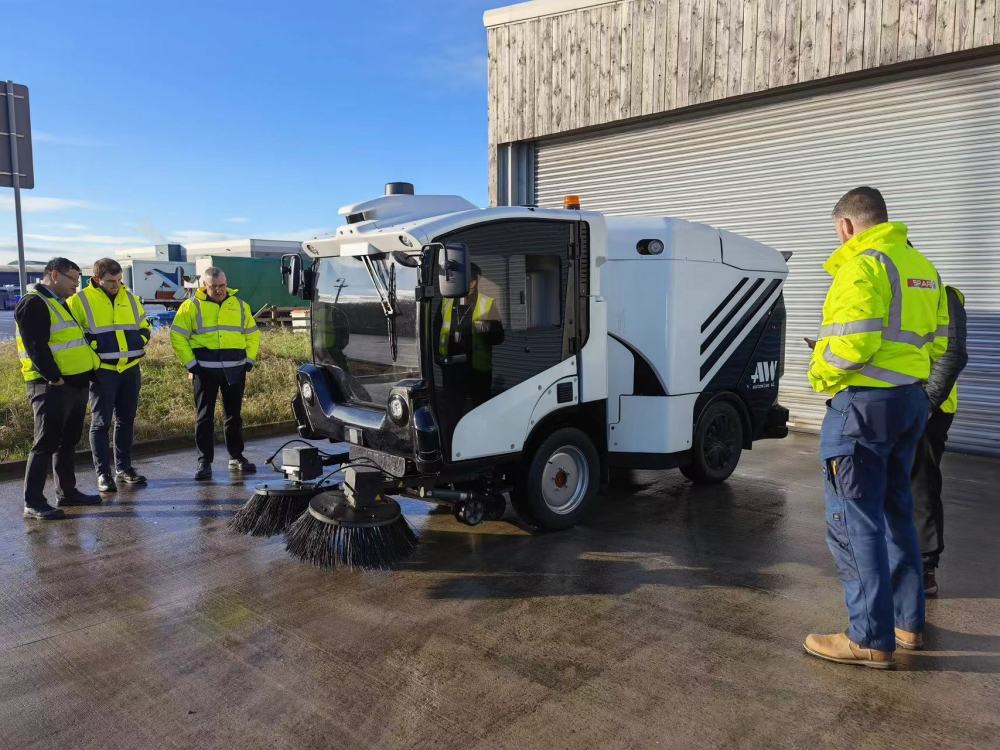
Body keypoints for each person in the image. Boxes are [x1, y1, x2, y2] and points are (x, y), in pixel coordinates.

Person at [804, 186, 949, 668]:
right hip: (910, 402)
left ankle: (868, 637)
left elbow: (852, 344)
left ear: (846, 226)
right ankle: (909, 625)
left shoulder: (862, 266)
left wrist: (819, 376)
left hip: (863, 409)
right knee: (896, 513)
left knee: (853, 523)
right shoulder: (921, 268)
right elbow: (938, 340)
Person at [14, 257, 101, 519]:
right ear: (54, 275)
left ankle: (67, 492)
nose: (77, 284)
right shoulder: (34, 303)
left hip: (73, 384)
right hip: (51, 386)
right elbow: (36, 346)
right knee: (45, 442)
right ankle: (33, 501)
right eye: (72, 279)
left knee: (67, 441)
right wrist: (54, 378)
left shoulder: (58, 303)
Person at [68, 258, 152, 493]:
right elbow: (73, 335)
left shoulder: (131, 298)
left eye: (118, 280)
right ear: (96, 279)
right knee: (101, 423)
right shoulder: (79, 300)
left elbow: (145, 326)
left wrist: (141, 339)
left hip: (130, 369)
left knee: (126, 420)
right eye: (110, 281)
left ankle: (123, 469)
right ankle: (103, 474)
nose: (116, 285)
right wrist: (94, 353)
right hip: (103, 371)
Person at [169, 267, 260, 480]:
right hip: (204, 370)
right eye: (213, 286)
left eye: (222, 285)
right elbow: (177, 336)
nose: (219, 290)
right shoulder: (190, 306)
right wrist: (191, 364)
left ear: (226, 283)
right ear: (204, 286)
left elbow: (253, 334)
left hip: (235, 368)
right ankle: (204, 462)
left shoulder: (239, 305)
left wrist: (249, 360)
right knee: (204, 417)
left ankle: (236, 457)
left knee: (234, 416)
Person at [911, 284, 968, 596]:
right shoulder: (893, 290)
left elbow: (954, 352)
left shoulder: (943, 294)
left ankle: (924, 569)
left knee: (921, 485)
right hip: (895, 402)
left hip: (930, 407)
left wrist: (927, 402)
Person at [435, 263, 504, 410]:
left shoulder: (487, 303)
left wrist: (484, 327)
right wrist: (439, 359)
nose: (473, 282)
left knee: (481, 414)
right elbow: (435, 332)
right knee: (453, 412)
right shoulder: (445, 301)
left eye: (475, 279)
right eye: (470, 278)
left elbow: (499, 337)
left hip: (478, 372)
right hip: (452, 370)